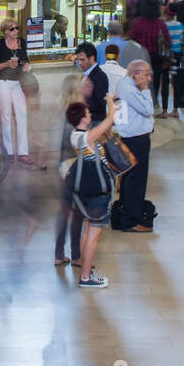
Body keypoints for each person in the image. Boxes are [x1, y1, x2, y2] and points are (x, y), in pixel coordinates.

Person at [63, 96, 121, 287]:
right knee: (94, 234)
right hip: (97, 190)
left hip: (84, 190)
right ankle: (86, 277)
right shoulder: (86, 138)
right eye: (87, 114)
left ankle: (81, 263)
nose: (90, 115)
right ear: (83, 119)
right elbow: (110, 120)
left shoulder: (76, 135)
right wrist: (111, 102)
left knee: (88, 230)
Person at [0, 19, 34, 166]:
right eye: (12, 29)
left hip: (19, 83)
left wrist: (26, 66)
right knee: (6, 117)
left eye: (17, 28)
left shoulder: (21, 42)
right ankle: (8, 152)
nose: (16, 31)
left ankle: (23, 153)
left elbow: (25, 60)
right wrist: (7, 64)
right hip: (3, 82)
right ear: (5, 32)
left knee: (22, 115)